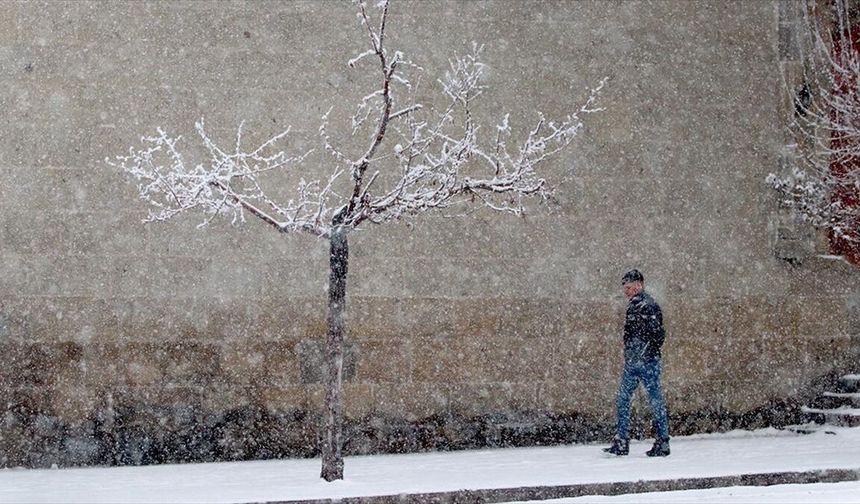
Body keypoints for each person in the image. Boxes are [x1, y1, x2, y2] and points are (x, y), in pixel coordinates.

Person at [603, 269, 670, 457]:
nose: (626, 290)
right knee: (628, 398)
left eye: (629, 287)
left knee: (651, 400)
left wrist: (643, 352)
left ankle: (660, 441)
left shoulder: (647, 305)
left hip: (645, 362)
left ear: (638, 285)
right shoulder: (636, 305)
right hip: (635, 362)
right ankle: (624, 440)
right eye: (625, 287)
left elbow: (657, 334)